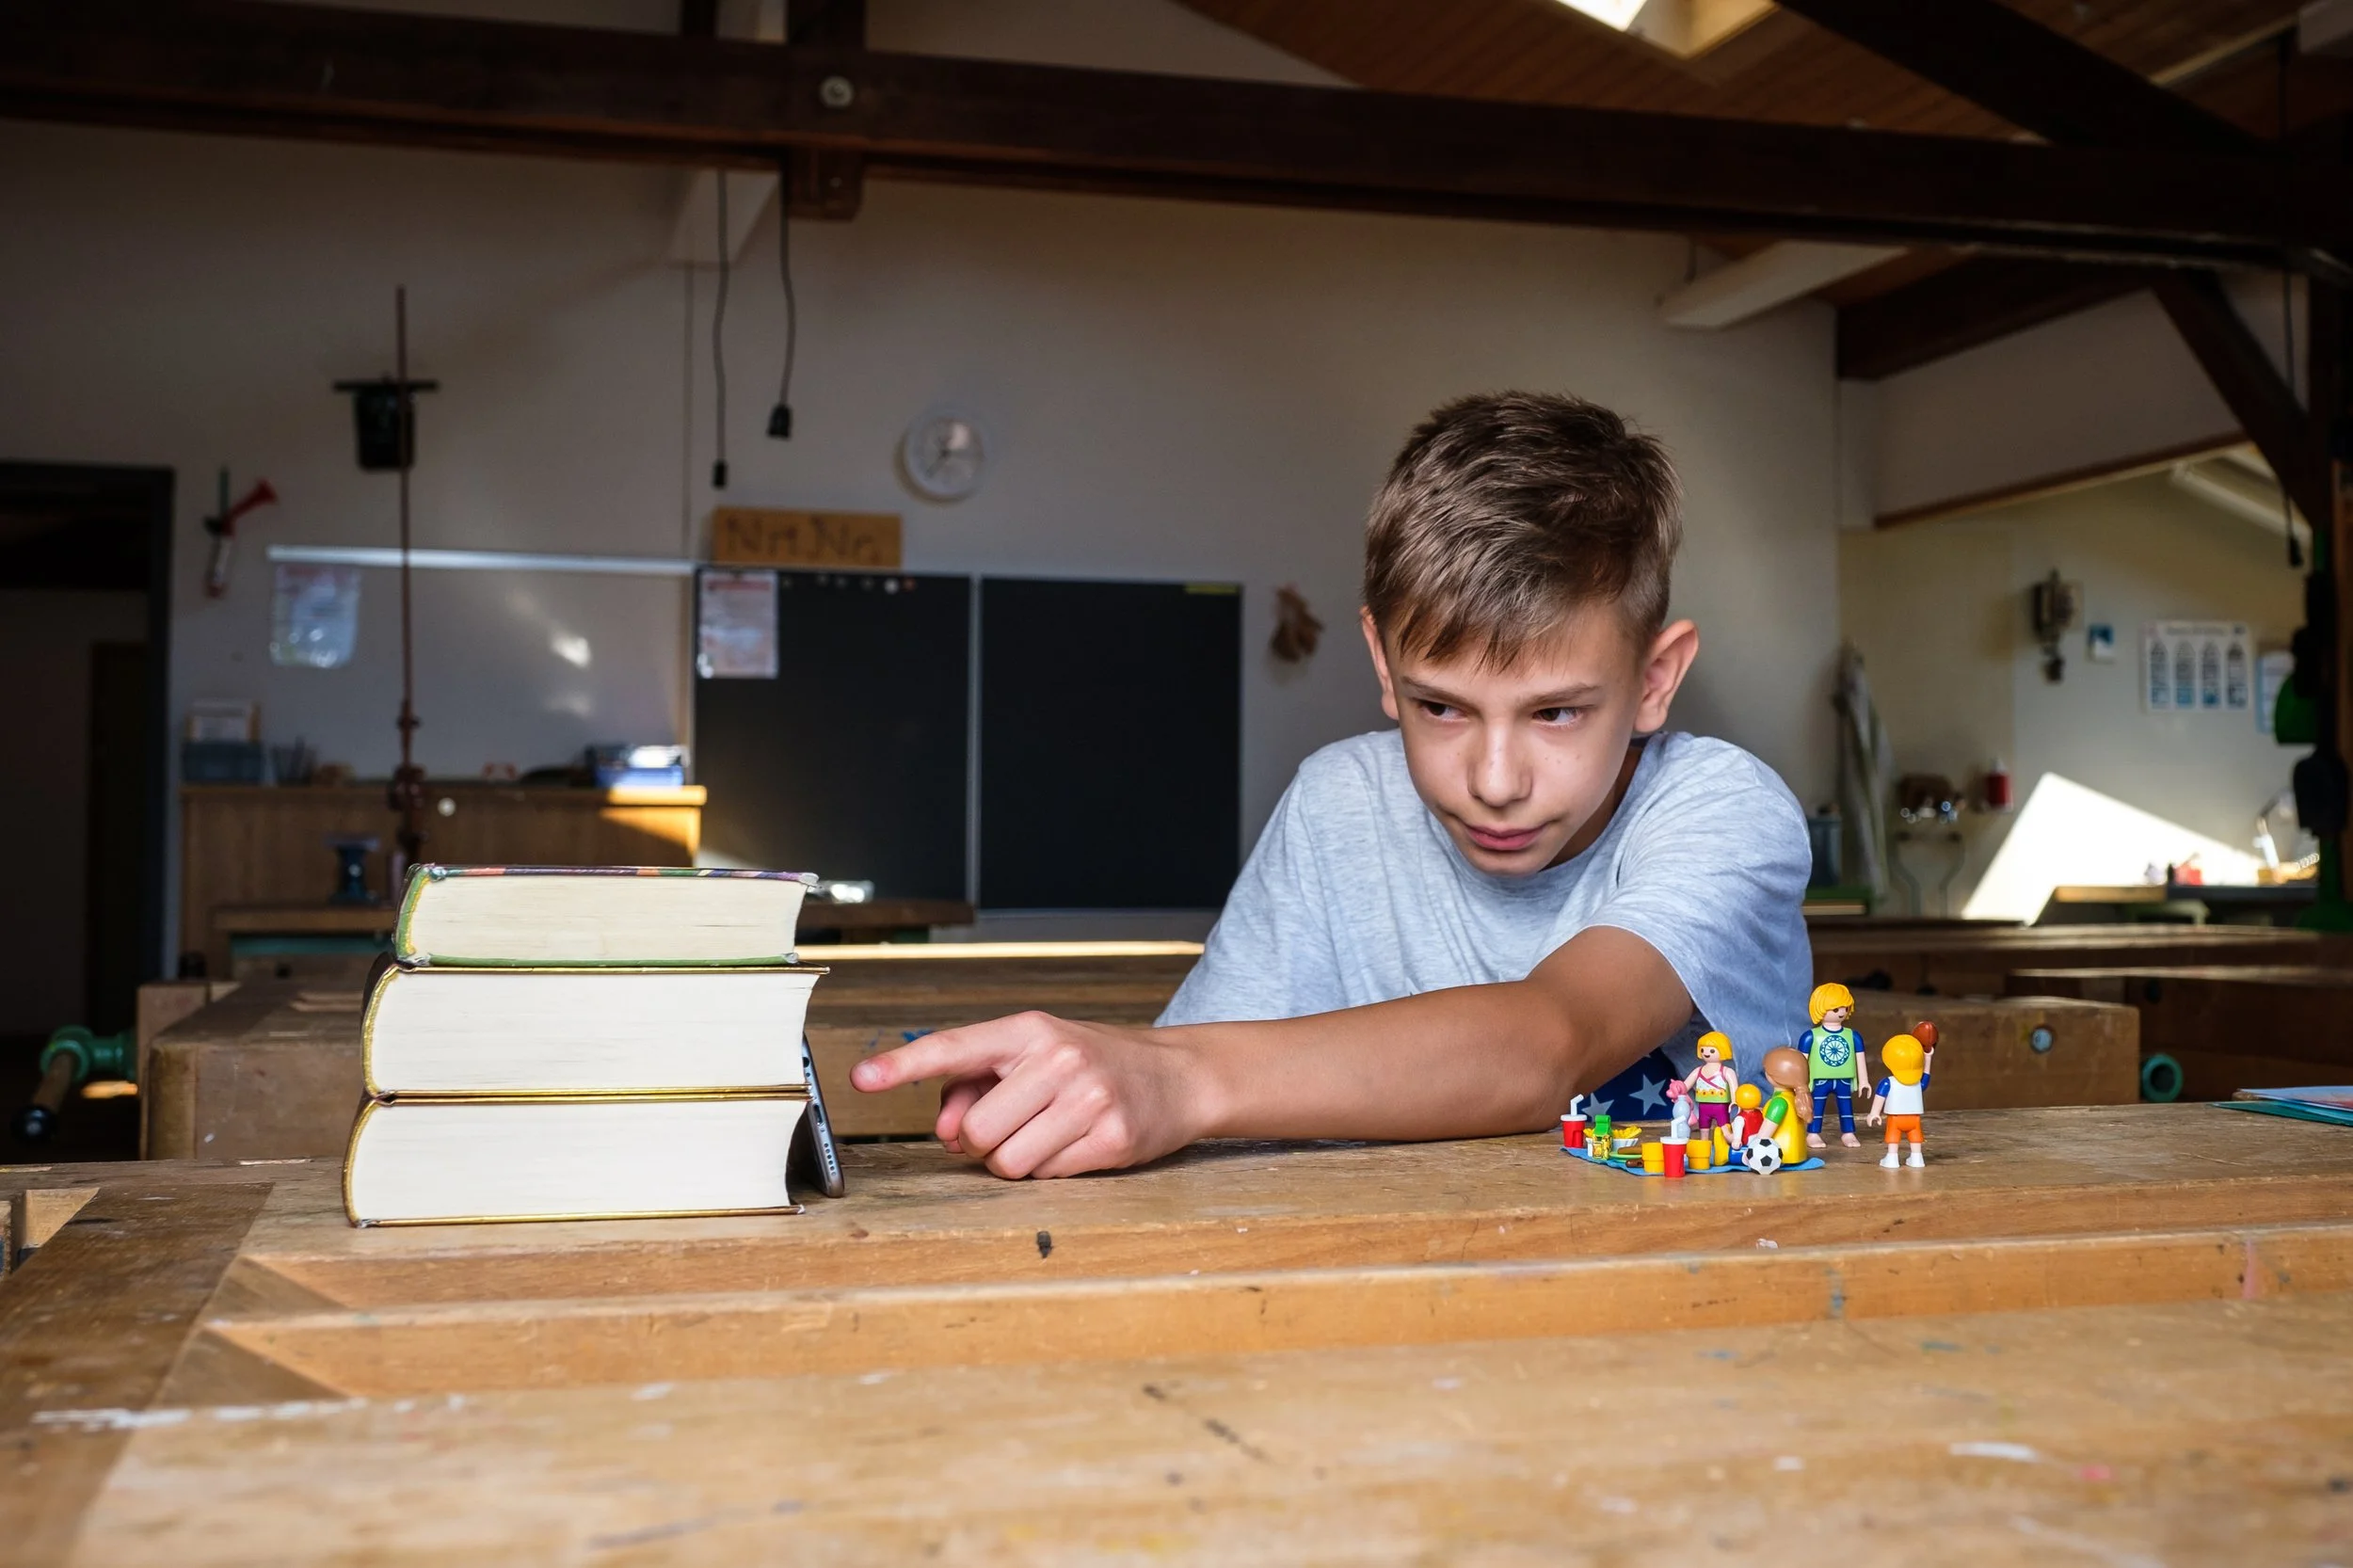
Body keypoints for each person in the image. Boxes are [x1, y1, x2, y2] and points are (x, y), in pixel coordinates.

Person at [850, 392, 1812, 1178]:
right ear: (1382, 666)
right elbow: (1200, 1080)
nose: (1493, 780)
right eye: (1442, 707)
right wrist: (1077, 1101)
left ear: (1652, 679)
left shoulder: (1722, 812)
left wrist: (1174, 1080)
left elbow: (1549, 1043)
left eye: (1555, 713)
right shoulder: (1336, 802)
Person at [1800, 982, 1866, 1149]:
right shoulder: (1810, 1037)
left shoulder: (1853, 1036)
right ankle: (1813, 1133)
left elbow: (1860, 1058)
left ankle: (1849, 1132)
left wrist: (1864, 1081)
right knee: (1817, 1107)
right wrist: (1799, 1084)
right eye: (1836, 1009)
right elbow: (1800, 1062)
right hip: (1820, 1080)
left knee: (1846, 1107)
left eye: (1844, 1008)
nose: (1841, 1012)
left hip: (1844, 1079)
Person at [1865, 1032, 1934, 1168]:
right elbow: (1925, 1080)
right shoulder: (1917, 1083)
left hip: (1896, 1118)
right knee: (1915, 1138)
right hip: (1914, 1119)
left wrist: (1874, 1113)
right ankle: (1917, 1158)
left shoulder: (1888, 1082)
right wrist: (1928, 1059)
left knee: (1893, 1138)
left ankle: (1892, 1159)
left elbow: (1880, 1097)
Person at [1679, 1031, 1739, 1135]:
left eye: (1712, 1051)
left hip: (1721, 1106)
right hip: (1703, 1106)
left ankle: (1725, 1143)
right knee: (1703, 1126)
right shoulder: (1698, 1070)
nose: (1706, 1053)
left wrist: (1735, 1100)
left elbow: (1734, 1087)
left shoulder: (1726, 1071)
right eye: (1703, 1050)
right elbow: (1685, 1086)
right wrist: (1678, 1088)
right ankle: (1704, 1144)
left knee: (1723, 1128)